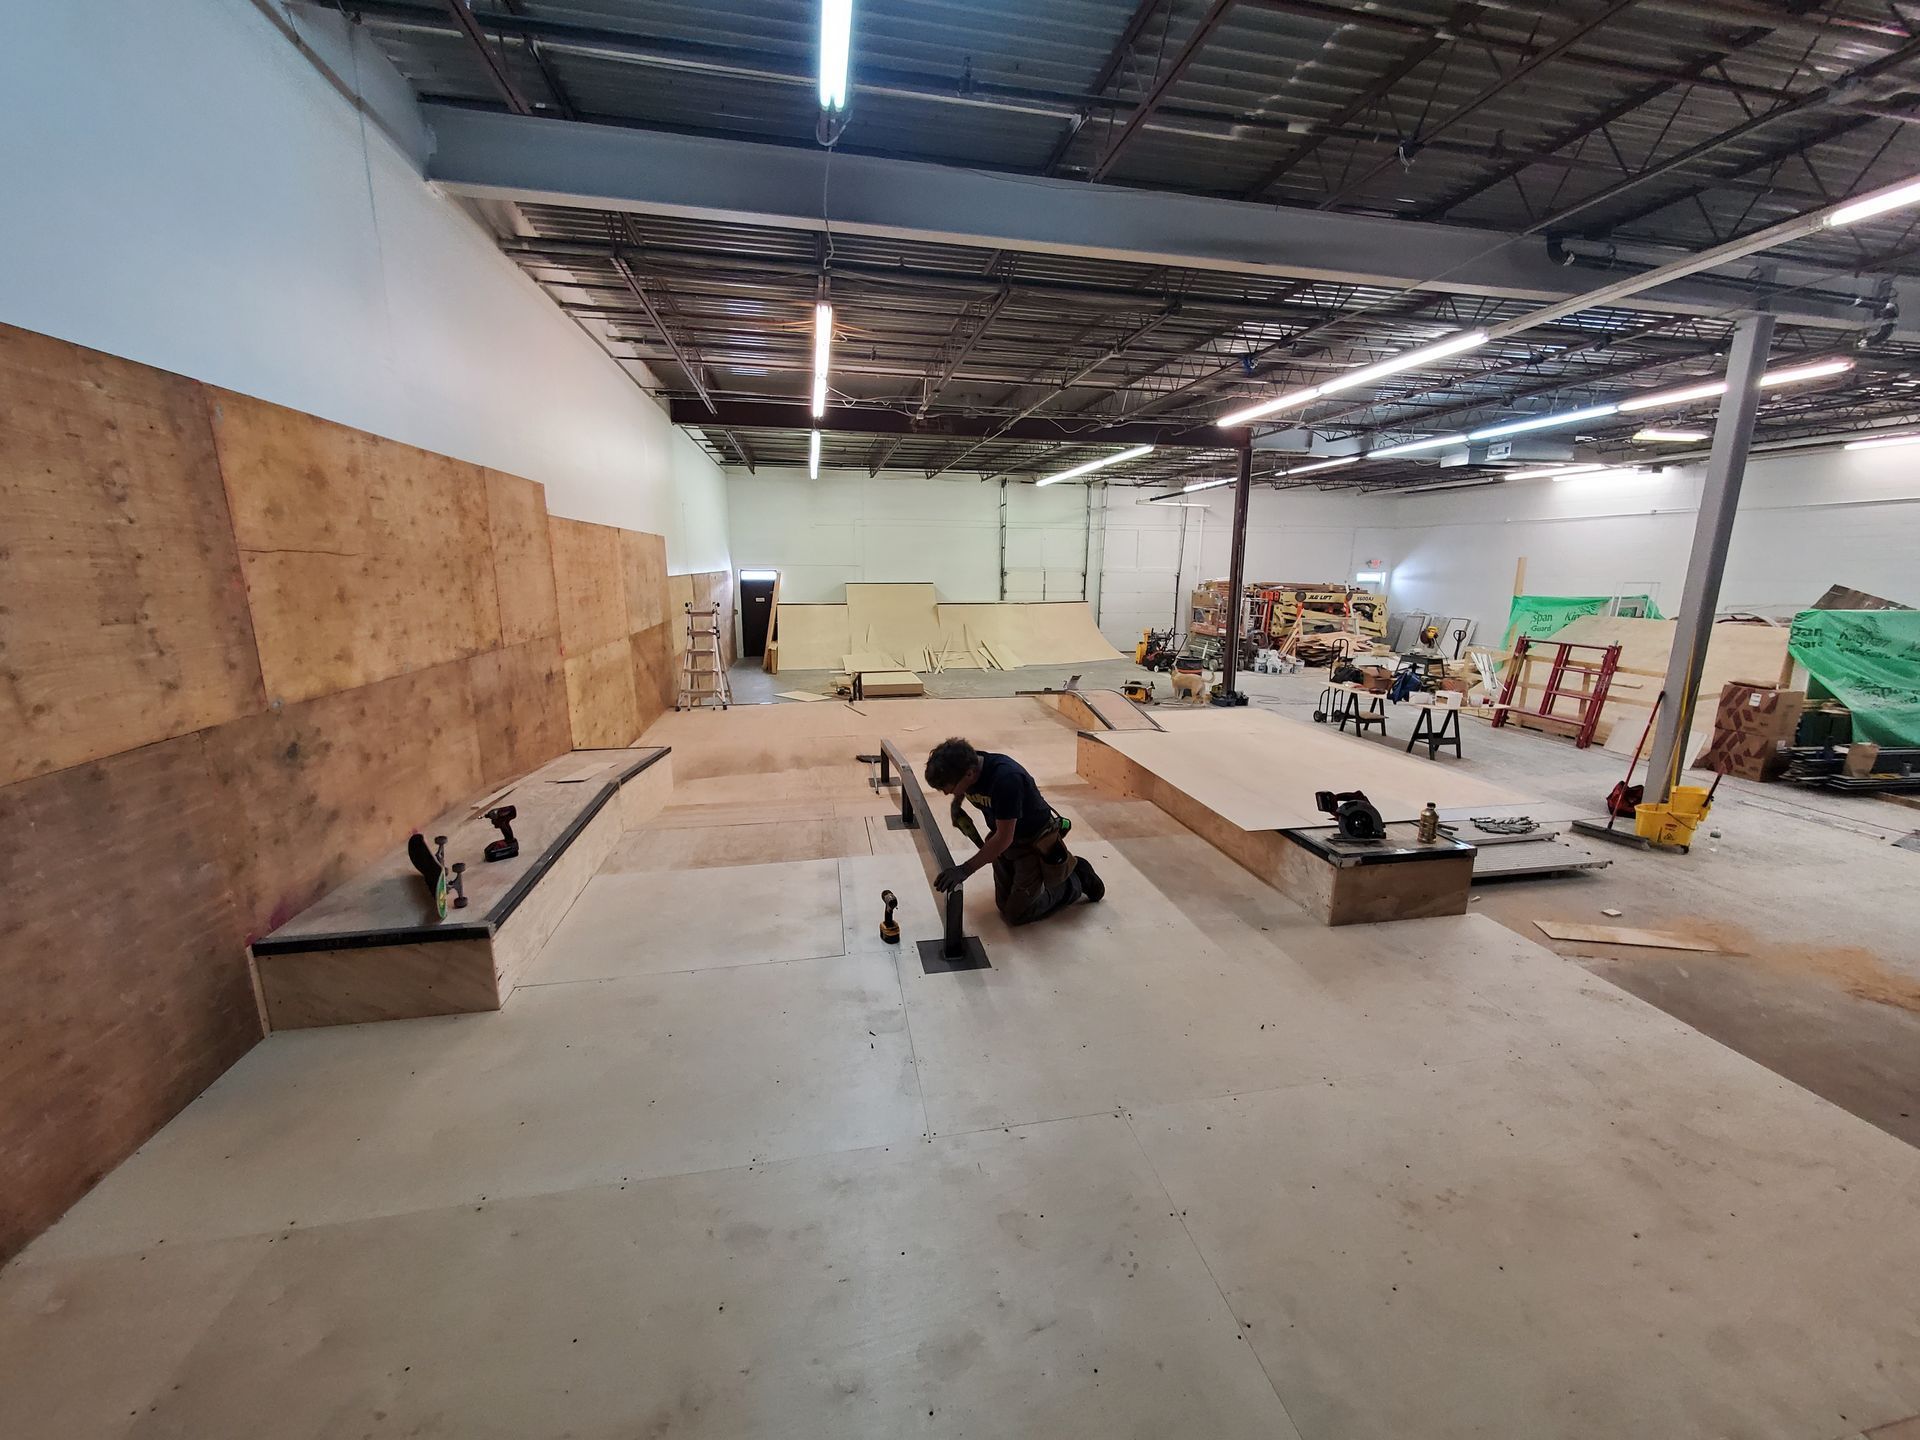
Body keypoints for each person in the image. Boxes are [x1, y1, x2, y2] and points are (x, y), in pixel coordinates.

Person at [923, 737, 1103, 926]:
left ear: (969, 774)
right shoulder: (968, 764)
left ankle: (1076, 879)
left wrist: (965, 869)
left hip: (1032, 841)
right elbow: (1001, 835)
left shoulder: (1006, 779)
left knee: (1017, 914)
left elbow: (1003, 838)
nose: (946, 793)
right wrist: (956, 804)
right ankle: (1043, 883)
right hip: (1007, 841)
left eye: (948, 789)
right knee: (1003, 905)